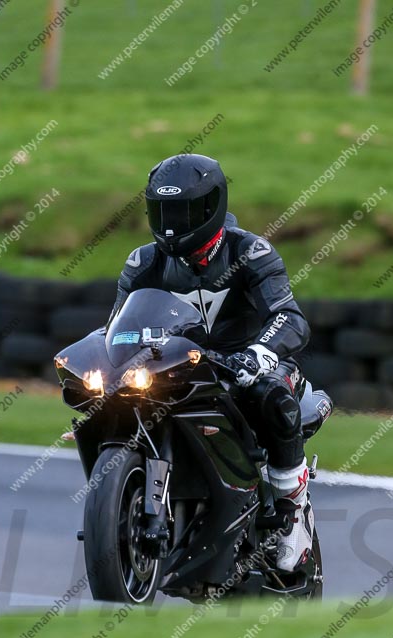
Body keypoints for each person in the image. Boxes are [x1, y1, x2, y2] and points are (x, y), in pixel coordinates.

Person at [111, 153, 313, 572]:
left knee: (273, 396)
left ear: (211, 206)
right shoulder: (143, 262)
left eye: (183, 211)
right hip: (175, 368)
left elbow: (290, 317)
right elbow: (116, 328)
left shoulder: (250, 251)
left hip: (245, 363)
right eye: (162, 210)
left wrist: (259, 354)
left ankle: (293, 512)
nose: (172, 223)